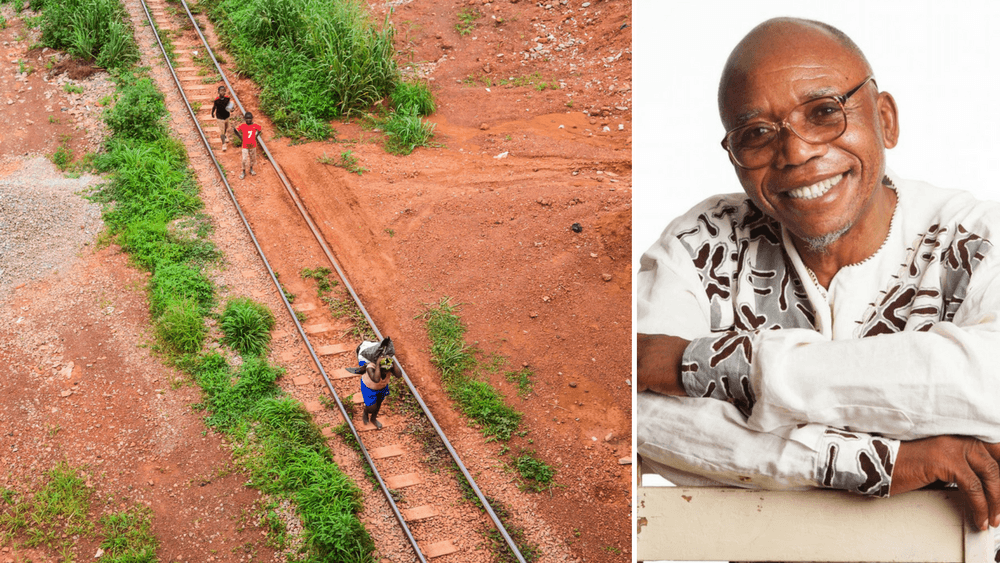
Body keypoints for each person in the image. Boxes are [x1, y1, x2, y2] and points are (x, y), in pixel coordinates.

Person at [637, 17, 1000, 537]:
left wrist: (717, 366)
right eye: (757, 134)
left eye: (825, 113)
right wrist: (874, 462)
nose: (797, 152)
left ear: (885, 119)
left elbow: (991, 384)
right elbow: (641, 414)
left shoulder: (980, 238)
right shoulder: (703, 244)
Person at [353, 337, 398, 429]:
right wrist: (377, 364)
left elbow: (399, 375)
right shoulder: (371, 367)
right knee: (371, 407)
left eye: (388, 370)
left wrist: (393, 362)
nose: (387, 372)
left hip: (382, 388)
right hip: (369, 388)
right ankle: (365, 412)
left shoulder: (389, 366)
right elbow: (376, 379)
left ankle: (373, 418)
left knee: (378, 404)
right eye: (384, 370)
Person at [234, 112, 262, 180]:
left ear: (252, 119)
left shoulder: (255, 125)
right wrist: (240, 137)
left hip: (252, 145)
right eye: (247, 119)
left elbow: (260, 129)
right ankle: (243, 171)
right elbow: (235, 130)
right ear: (245, 119)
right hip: (245, 145)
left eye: (249, 119)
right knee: (244, 159)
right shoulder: (243, 125)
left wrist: (256, 135)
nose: (248, 120)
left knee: (252, 158)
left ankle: (251, 169)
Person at [210, 85, 233, 151]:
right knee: (222, 131)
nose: (222, 92)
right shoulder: (216, 100)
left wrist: (232, 109)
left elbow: (230, 106)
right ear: (218, 92)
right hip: (220, 117)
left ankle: (225, 136)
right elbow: (214, 107)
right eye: (221, 91)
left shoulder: (227, 99)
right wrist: (212, 113)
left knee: (226, 128)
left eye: (223, 91)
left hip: (226, 116)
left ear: (225, 92)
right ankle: (223, 144)